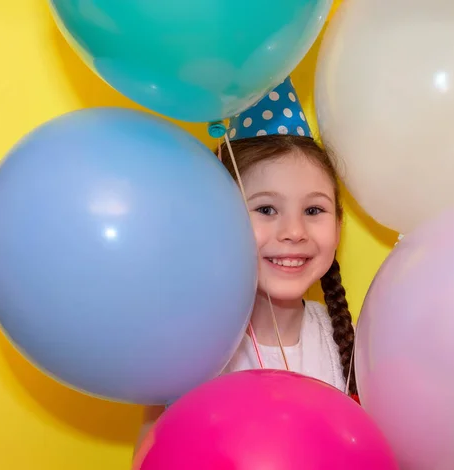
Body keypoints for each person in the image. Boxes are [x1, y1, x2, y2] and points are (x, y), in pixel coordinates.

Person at [135, 76, 357, 450]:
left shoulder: (351, 346)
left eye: (314, 210)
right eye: (266, 209)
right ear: (220, 216)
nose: (294, 231)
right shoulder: (190, 349)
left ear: (338, 225)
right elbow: (155, 454)